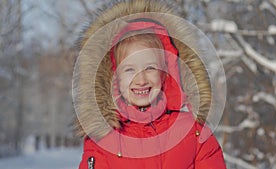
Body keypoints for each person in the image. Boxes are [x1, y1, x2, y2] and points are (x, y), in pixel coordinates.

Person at [73, 0, 226, 168]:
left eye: (150, 68)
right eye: (129, 69)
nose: (141, 80)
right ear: (114, 78)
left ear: (165, 74)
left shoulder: (193, 132)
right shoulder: (103, 138)